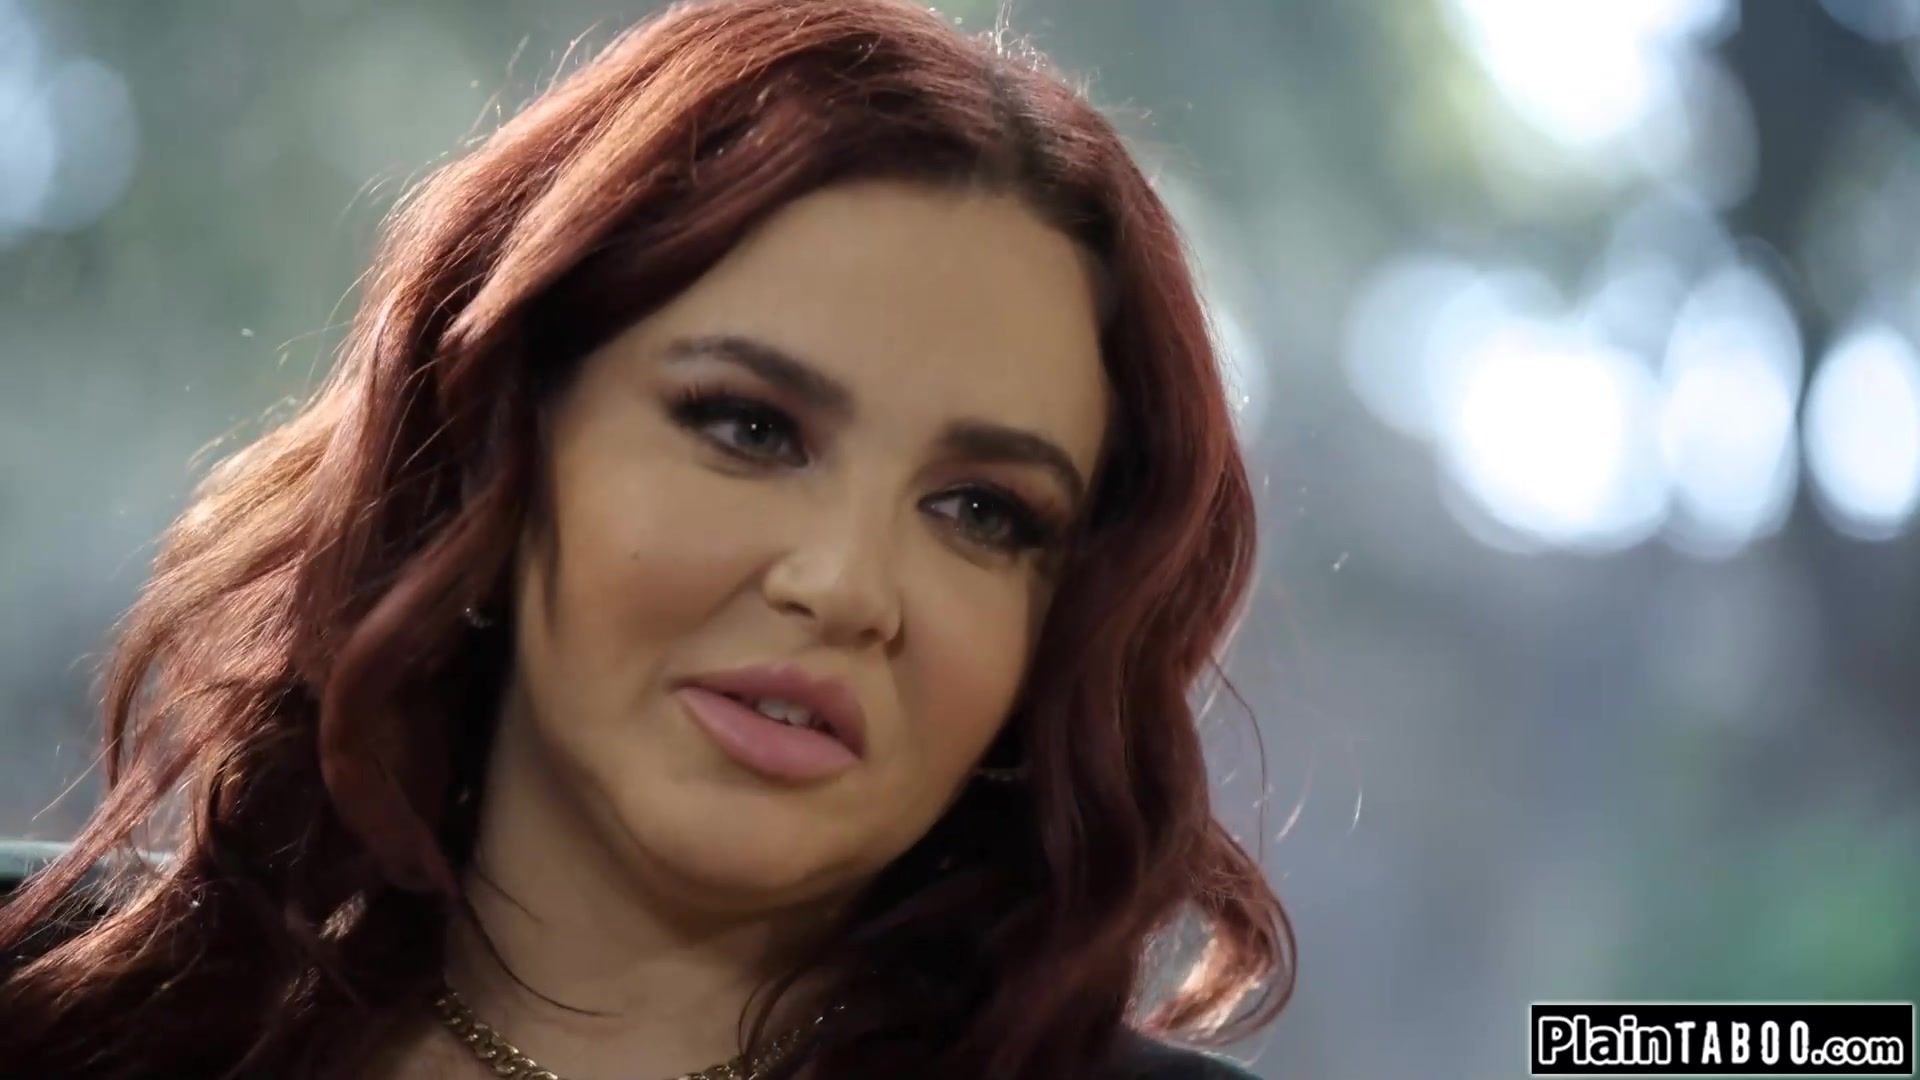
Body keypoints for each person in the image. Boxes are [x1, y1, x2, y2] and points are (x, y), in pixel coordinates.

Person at [0, 0, 1294, 1076]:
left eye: (982, 512)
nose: (846, 585)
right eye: (750, 428)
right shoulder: (50, 998)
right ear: (500, 437)